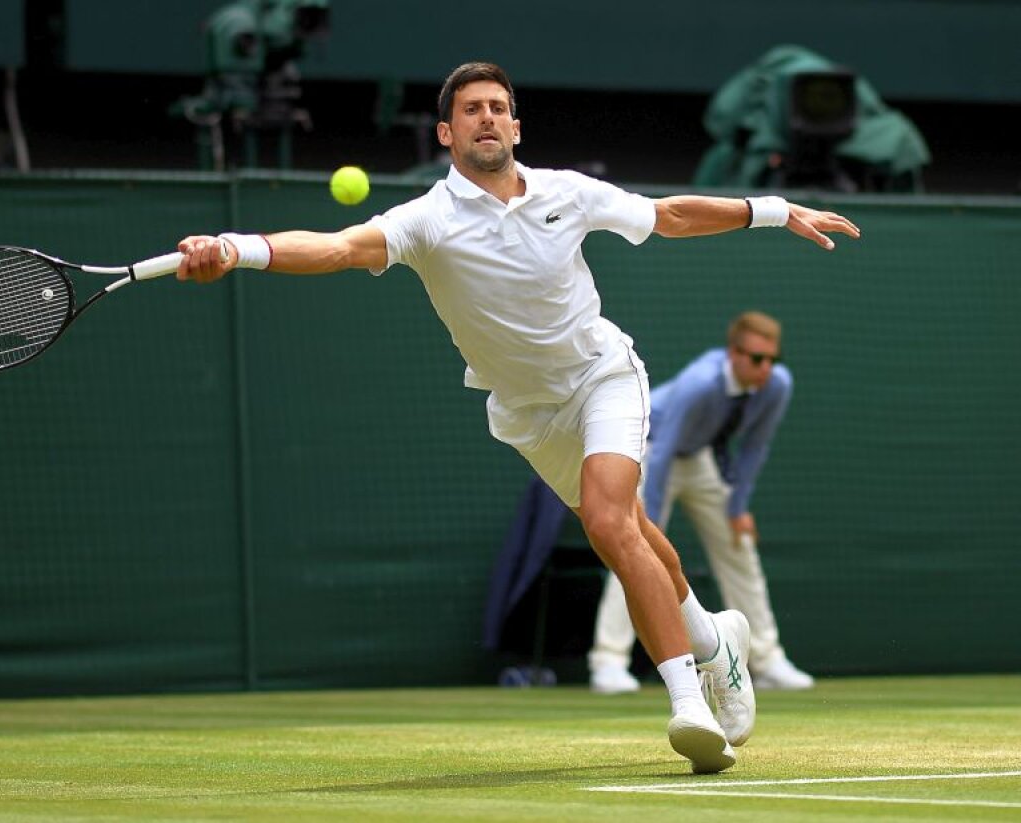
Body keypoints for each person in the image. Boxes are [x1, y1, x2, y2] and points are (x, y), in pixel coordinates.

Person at [174, 62, 860, 774]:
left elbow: (667, 215)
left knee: (608, 519)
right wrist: (237, 250)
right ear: (447, 131)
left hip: (603, 377)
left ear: (517, 125)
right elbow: (340, 247)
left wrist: (773, 209)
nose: (488, 118)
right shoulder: (427, 220)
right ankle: (719, 644)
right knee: (637, 531)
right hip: (529, 415)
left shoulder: (567, 191)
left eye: (499, 107)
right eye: (472, 109)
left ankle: (688, 702)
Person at [588, 311, 815, 696]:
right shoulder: (700, 384)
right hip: (653, 449)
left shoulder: (777, 386)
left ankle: (766, 657)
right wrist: (652, 519)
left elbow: (755, 449)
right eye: (757, 359)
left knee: (738, 544)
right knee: (632, 547)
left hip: (699, 458)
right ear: (734, 354)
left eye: (772, 360)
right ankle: (608, 662)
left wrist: (738, 507)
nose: (766, 369)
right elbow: (662, 456)